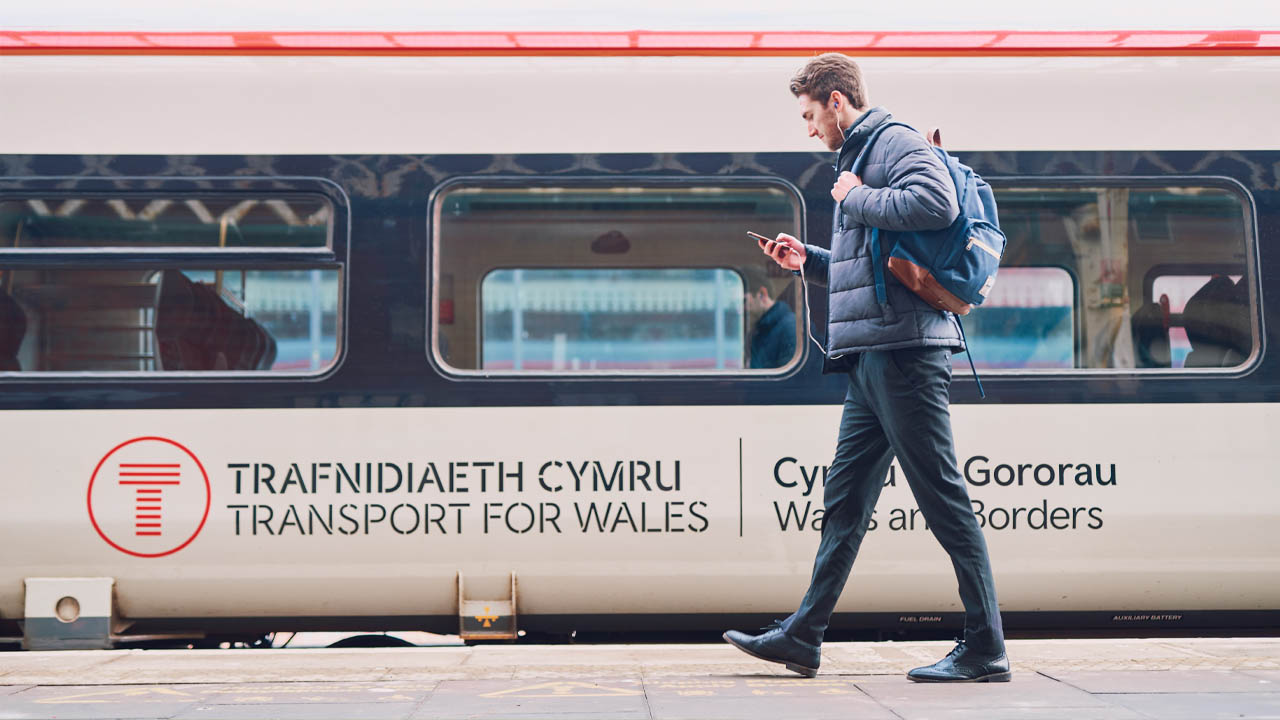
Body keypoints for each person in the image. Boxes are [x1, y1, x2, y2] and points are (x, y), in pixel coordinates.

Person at [722, 53, 1009, 683]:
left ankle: (986, 646)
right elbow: (869, 267)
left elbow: (936, 204)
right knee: (845, 499)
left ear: (835, 100)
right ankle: (804, 635)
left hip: (906, 354)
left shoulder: (892, 141)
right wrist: (810, 260)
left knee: (941, 497)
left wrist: (857, 196)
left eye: (809, 115)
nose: (808, 129)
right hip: (871, 355)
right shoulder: (858, 159)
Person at [743, 265, 797, 369]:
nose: (742, 309)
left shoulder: (791, 328)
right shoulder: (758, 331)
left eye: (744, 301)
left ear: (762, 294)